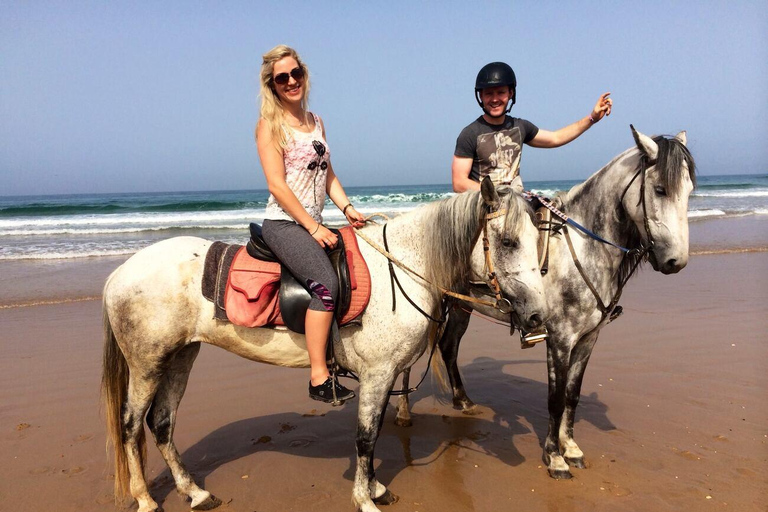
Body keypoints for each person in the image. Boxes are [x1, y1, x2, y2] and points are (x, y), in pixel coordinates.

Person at [255, 45, 365, 403]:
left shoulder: (317, 121)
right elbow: (277, 185)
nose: (290, 82)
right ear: (273, 86)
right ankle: (318, 377)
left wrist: (347, 208)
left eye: (295, 73)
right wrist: (313, 228)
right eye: (281, 78)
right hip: (284, 224)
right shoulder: (269, 125)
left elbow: (327, 173)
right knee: (327, 286)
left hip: (313, 221)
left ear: (304, 74)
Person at [452, 62, 613, 192]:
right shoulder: (470, 133)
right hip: (483, 207)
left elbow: (555, 138)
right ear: (481, 96)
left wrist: (592, 118)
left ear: (510, 94)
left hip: (516, 205)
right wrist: (495, 194)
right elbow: (459, 182)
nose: (495, 99)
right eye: (489, 94)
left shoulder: (520, 127)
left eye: (500, 92)